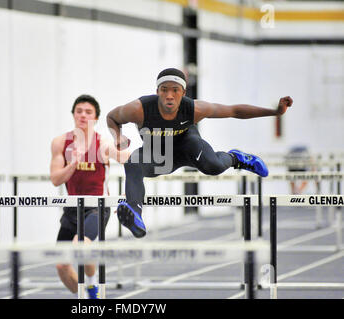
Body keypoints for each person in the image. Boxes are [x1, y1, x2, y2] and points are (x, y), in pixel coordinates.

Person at [106, 67, 293, 238]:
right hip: (159, 156)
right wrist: (117, 136)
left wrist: (275, 112)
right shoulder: (139, 109)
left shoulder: (194, 109)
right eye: (164, 90)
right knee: (133, 163)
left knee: (213, 166)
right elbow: (112, 117)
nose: (169, 95)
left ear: (183, 93)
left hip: (188, 146)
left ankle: (236, 158)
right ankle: (135, 211)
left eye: (175, 90)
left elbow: (234, 111)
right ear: (157, 92)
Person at [50, 94, 129, 298]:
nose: (83, 115)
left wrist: (131, 189)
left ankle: (93, 284)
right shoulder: (61, 143)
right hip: (71, 208)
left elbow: (130, 160)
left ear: (95, 117)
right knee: (61, 265)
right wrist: (74, 163)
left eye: (88, 112)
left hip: (97, 206)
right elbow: (56, 179)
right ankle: (86, 296)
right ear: (73, 114)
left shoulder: (102, 143)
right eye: (79, 111)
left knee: (81, 245)